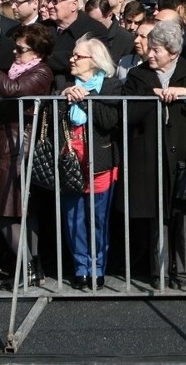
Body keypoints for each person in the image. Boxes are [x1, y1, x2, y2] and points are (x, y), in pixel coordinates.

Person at [122, 21, 186, 289]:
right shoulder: (137, 75)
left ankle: (185, 273)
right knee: (158, 212)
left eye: (157, 50)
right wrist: (152, 94)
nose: (150, 54)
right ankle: (159, 272)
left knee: (185, 214)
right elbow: (129, 112)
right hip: (150, 153)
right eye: (150, 48)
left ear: (173, 52)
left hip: (183, 151)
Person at [0, 24, 54, 288]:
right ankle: (33, 269)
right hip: (8, 142)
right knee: (20, 212)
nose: (16, 53)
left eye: (21, 49)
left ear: (37, 51)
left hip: (19, 144)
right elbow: (8, 90)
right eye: (15, 48)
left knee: (3, 212)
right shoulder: (22, 68)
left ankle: (29, 267)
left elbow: (14, 89)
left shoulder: (41, 71)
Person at [59, 36, 122, 290]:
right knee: (74, 219)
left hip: (100, 162)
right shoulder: (63, 83)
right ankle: (80, 268)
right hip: (71, 162)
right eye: (72, 55)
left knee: (98, 219)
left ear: (94, 61)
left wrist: (87, 97)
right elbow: (51, 116)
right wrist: (65, 95)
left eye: (78, 56)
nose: (72, 59)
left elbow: (108, 121)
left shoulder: (110, 85)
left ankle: (97, 267)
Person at [85, 0, 135, 64]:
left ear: (110, 15)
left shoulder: (126, 39)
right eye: (89, 22)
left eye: (97, 23)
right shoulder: (83, 34)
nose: (92, 26)